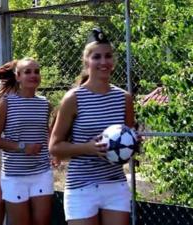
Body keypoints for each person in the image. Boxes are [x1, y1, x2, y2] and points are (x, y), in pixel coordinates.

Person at [49, 28, 134, 225]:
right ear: (86, 62)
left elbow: (128, 141)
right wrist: (88, 148)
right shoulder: (73, 98)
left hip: (115, 185)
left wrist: (134, 143)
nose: (103, 62)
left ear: (114, 61)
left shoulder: (124, 98)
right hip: (81, 187)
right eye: (97, 57)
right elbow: (55, 147)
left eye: (108, 56)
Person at [0, 58, 53, 225]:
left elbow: (46, 132)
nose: (33, 75)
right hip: (15, 176)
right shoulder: (7, 103)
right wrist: (23, 147)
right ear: (18, 77)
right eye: (28, 72)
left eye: (37, 72)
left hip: (42, 172)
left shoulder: (45, 104)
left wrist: (53, 152)